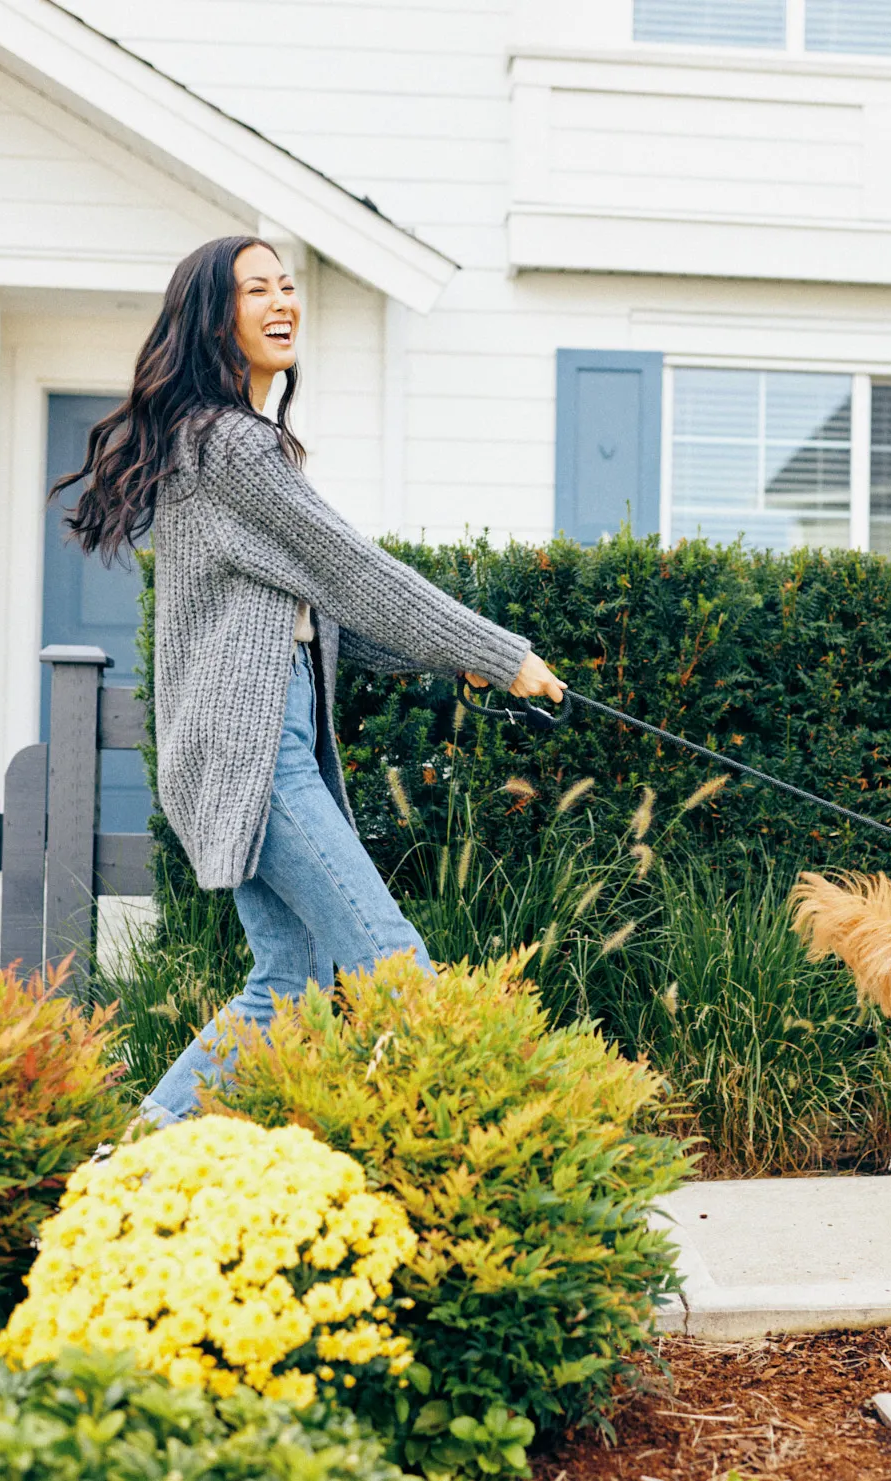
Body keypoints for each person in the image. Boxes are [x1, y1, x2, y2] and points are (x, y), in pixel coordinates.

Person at [54, 235, 565, 1124]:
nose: (282, 301)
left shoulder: (233, 445)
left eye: (288, 286)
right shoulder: (231, 446)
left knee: (283, 986)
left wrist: (458, 664)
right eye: (258, 290)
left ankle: (120, 1172)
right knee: (391, 962)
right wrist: (498, 651)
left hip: (245, 740)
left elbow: (330, 613)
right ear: (217, 316)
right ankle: (499, 1151)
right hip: (257, 748)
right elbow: (354, 568)